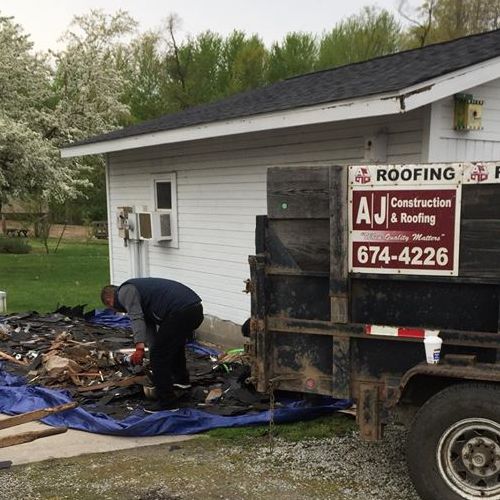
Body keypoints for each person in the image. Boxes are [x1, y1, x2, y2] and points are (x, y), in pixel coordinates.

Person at [100, 277, 203, 411]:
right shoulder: (141, 294)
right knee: (172, 347)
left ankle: (167, 403)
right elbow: (148, 326)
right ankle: (181, 382)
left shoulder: (125, 292)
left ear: (110, 300)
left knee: (159, 357)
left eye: (111, 308)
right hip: (194, 309)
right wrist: (151, 349)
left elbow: (136, 318)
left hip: (181, 311)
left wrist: (139, 347)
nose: (116, 311)